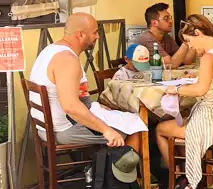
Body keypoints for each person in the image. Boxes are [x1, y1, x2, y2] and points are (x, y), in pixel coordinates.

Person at [155, 14, 213, 189]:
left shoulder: (208, 58)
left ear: (198, 33)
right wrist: (192, 81)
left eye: (189, 41)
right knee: (180, 123)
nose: (190, 47)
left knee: (161, 129)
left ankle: (181, 178)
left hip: (209, 122)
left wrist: (176, 90)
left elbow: (201, 89)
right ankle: (186, 172)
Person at [28, 13, 144, 151]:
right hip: (64, 130)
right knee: (135, 127)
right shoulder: (67, 60)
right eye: (95, 32)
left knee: (122, 118)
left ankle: (98, 168)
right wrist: (106, 130)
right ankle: (112, 171)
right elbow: (71, 106)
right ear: (81, 35)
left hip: (49, 127)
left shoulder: (51, 50)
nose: (98, 37)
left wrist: (96, 108)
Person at [135, 3, 192, 68]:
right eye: (166, 18)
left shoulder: (167, 37)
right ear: (154, 23)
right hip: (140, 76)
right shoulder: (147, 38)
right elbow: (171, 64)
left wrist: (193, 38)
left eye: (170, 18)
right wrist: (186, 40)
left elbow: (186, 60)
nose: (171, 21)